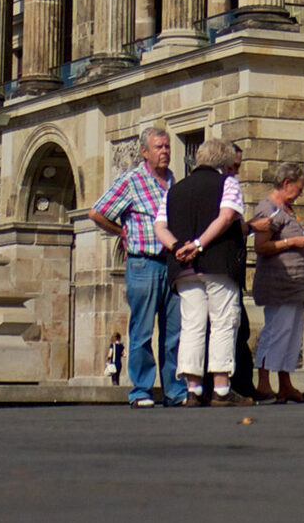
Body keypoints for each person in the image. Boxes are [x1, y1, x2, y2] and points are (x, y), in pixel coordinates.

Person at [91, 127, 184, 408]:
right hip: (143, 262)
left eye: (167, 146)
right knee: (142, 329)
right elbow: (97, 211)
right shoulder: (131, 180)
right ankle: (141, 389)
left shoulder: (173, 181)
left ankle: (174, 390)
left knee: (174, 330)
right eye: (159, 147)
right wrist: (120, 231)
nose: (165, 151)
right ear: (144, 152)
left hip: (170, 262)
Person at [158, 137, 250, 406]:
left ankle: (193, 389)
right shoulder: (228, 183)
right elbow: (226, 217)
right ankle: (221, 389)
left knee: (192, 324)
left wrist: (178, 247)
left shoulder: (174, 190)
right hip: (219, 262)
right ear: (224, 161)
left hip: (184, 267)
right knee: (223, 321)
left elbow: (159, 226)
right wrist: (199, 245)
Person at [249, 162, 304, 403]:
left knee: (291, 334)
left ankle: (285, 384)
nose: (301, 193)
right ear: (286, 183)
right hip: (278, 283)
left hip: (294, 283)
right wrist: (292, 243)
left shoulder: (287, 209)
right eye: (299, 188)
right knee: (276, 331)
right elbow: (261, 246)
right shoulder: (268, 209)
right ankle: (264, 383)